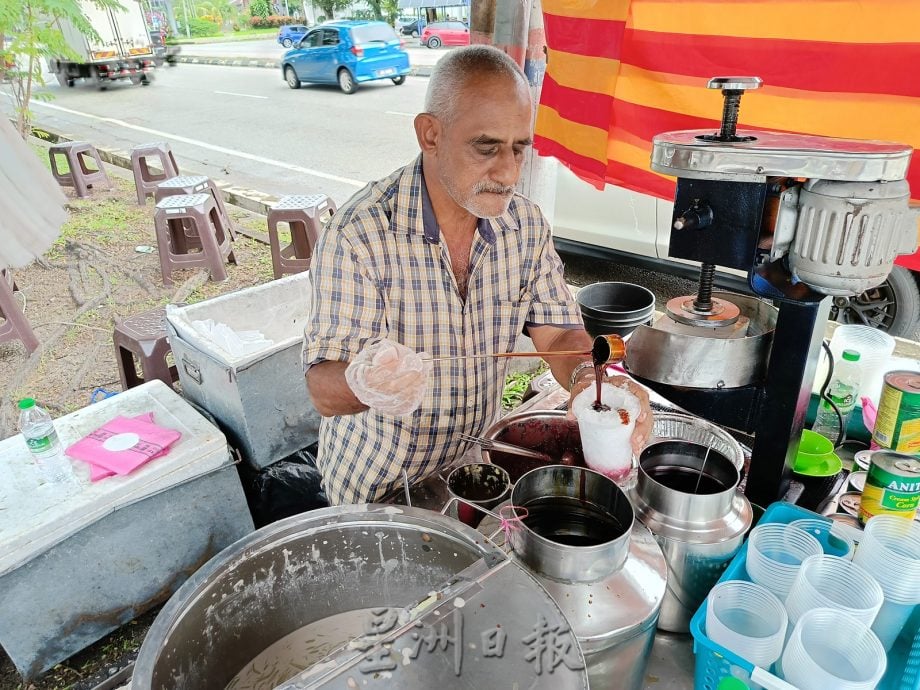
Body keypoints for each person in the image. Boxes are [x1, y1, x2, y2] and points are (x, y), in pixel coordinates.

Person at [303, 45, 651, 505]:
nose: (507, 172)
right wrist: (365, 381)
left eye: (519, 148)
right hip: (379, 485)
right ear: (430, 134)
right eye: (486, 148)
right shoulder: (360, 236)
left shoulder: (524, 224)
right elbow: (323, 391)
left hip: (471, 467)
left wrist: (589, 375)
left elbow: (557, 334)